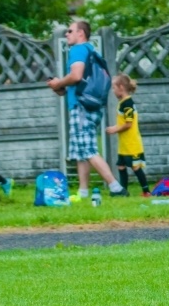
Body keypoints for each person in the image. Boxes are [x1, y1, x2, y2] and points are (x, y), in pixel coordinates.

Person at [46, 21, 129, 200]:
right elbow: (80, 81)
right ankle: (83, 193)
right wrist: (60, 87)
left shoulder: (78, 49)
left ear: (81, 33)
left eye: (70, 31)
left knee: (89, 149)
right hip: (91, 105)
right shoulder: (92, 51)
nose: (66, 34)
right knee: (79, 151)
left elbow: (76, 76)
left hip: (81, 108)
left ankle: (116, 188)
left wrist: (58, 82)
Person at [105, 73, 151, 197]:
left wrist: (115, 129)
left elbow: (128, 124)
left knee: (135, 167)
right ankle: (123, 191)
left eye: (114, 88)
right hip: (124, 144)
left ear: (120, 87)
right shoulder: (122, 103)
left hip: (132, 144)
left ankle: (146, 191)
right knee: (121, 165)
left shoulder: (128, 103)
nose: (113, 91)